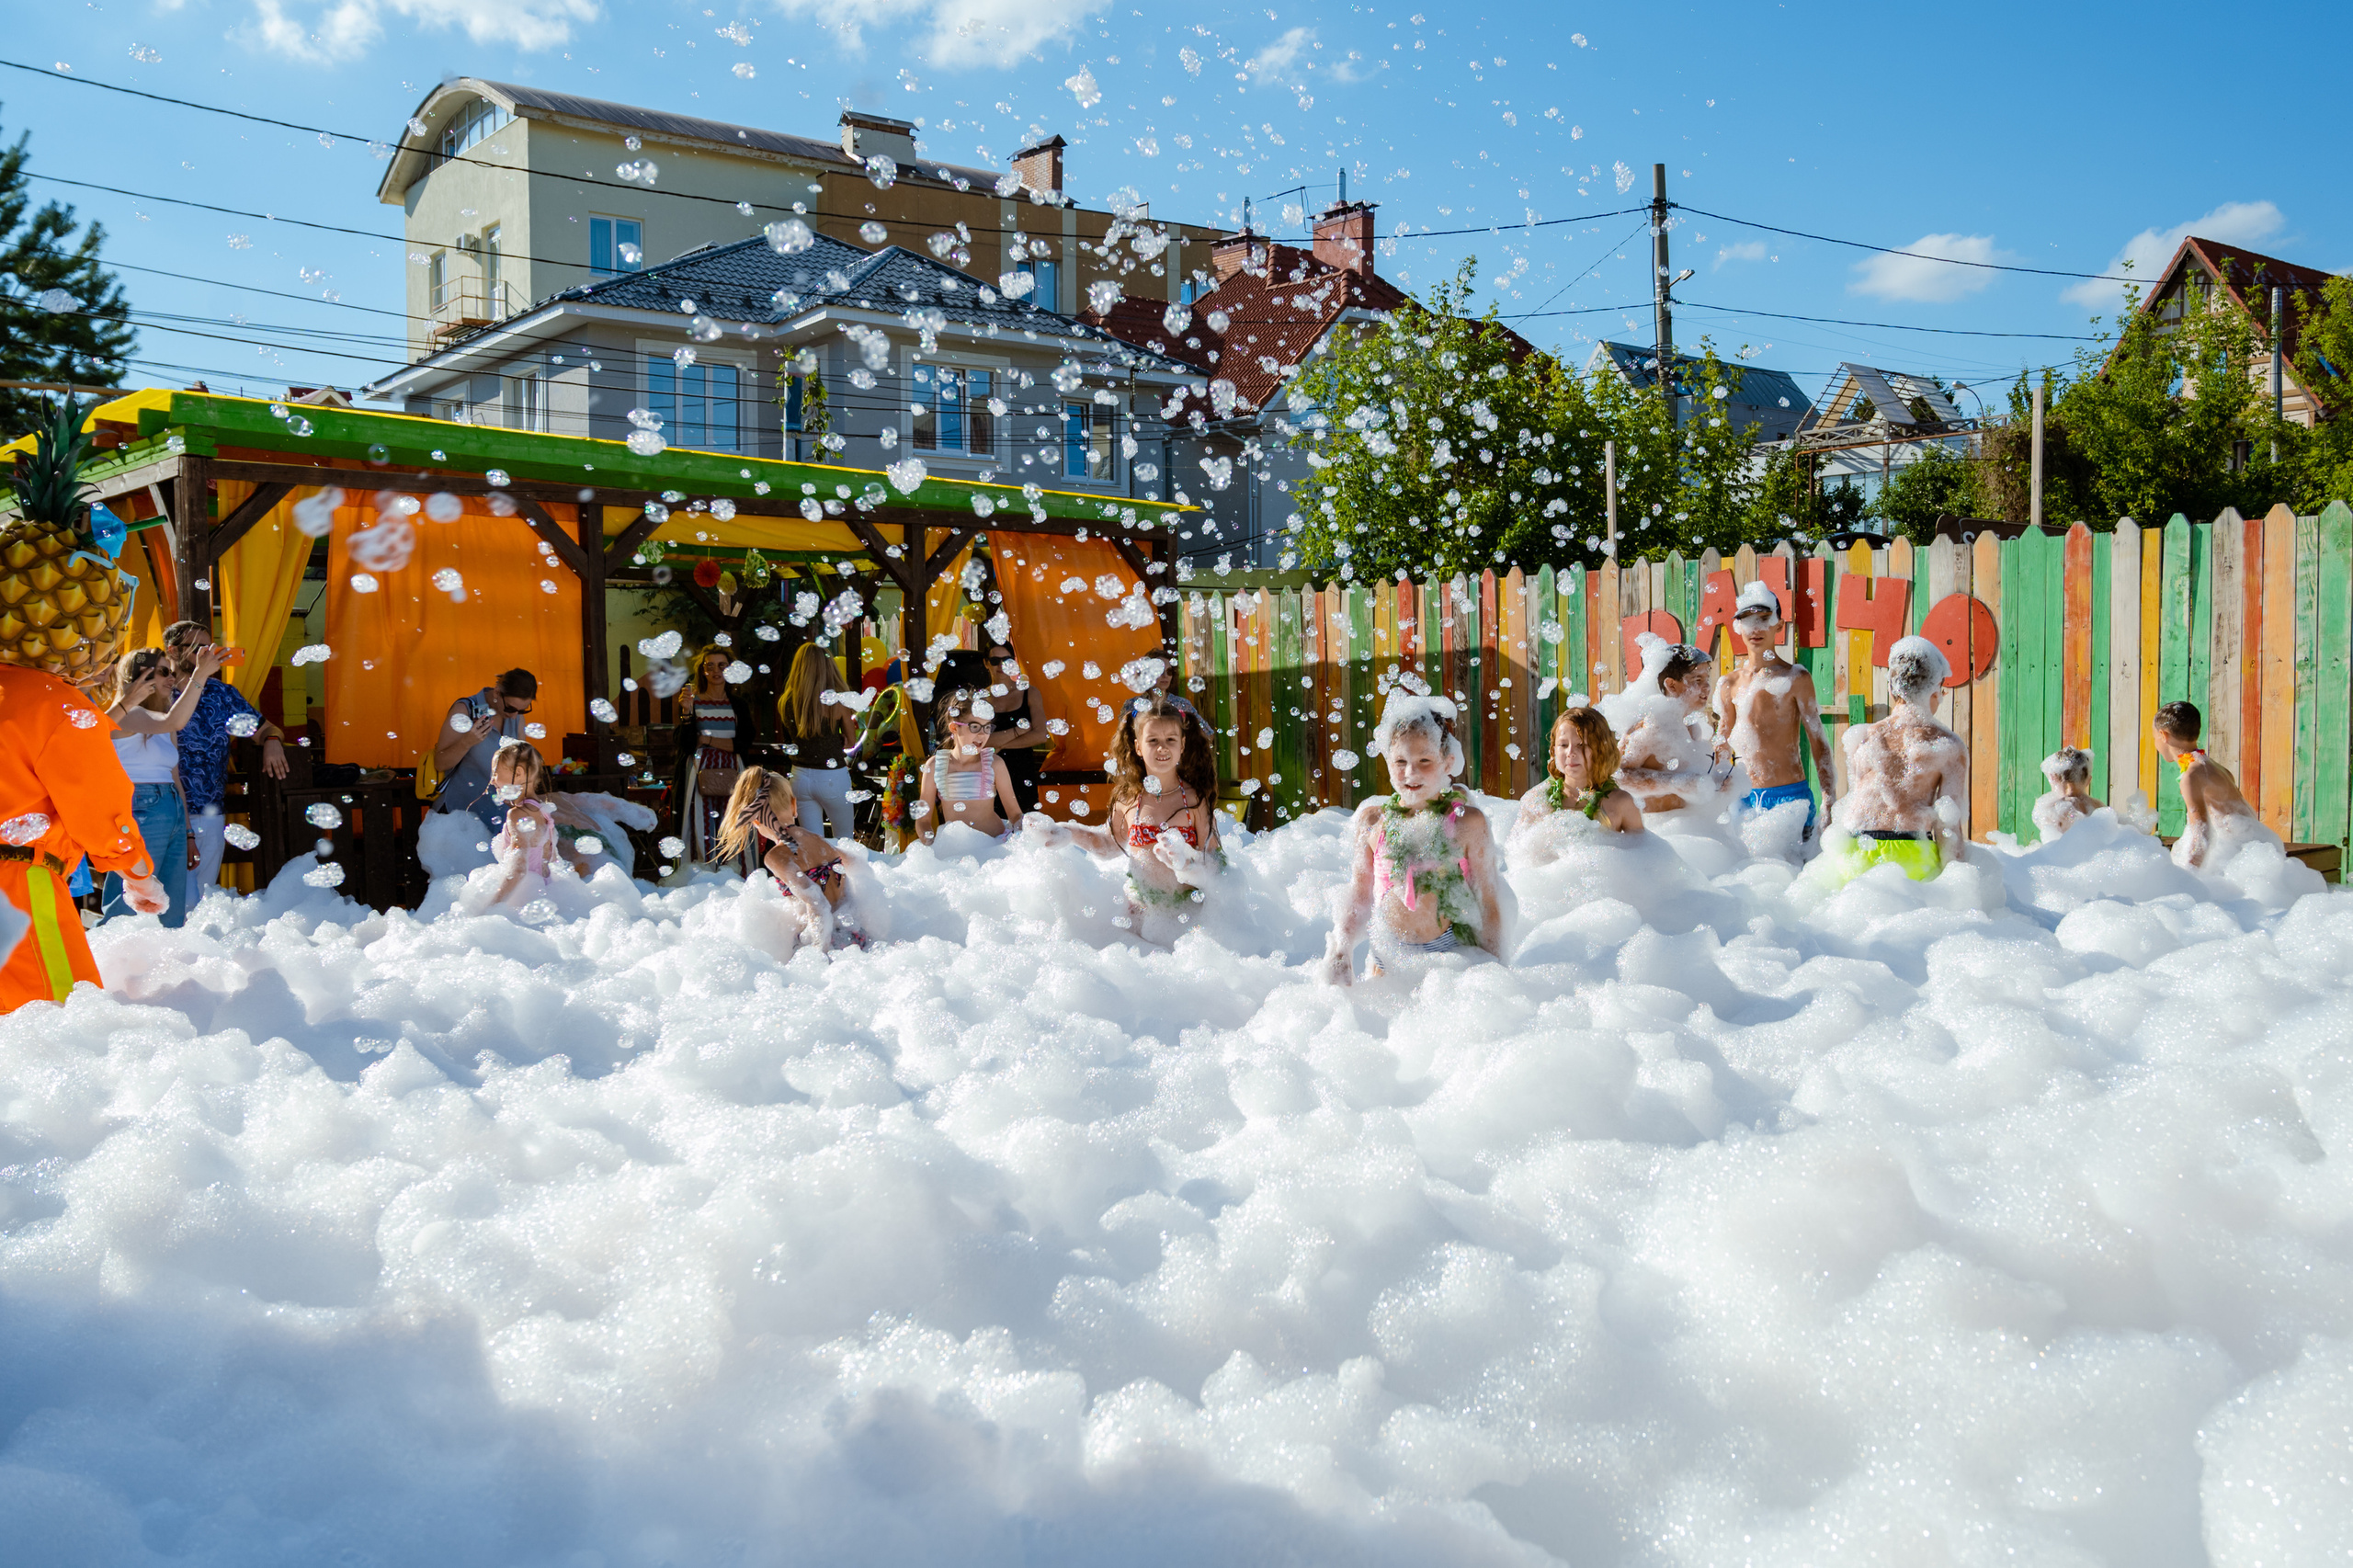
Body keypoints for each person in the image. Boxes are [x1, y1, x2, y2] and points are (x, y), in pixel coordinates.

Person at [0, 662, 168, 1009]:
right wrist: (139, 876)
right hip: (15, 887)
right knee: (59, 1022)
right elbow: (101, 810)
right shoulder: (51, 699)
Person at [1321, 688, 1505, 983]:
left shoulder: (1467, 823)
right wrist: (1340, 951)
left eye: (1424, 761)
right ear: (1388, 762)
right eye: (1400, 762)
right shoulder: (1373, 820)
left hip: (1450, 953)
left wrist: (1496, 970)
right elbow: (1359, 895)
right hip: (1388, 953)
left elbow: (1488, 900)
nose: (1410, 774)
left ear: (1447, 762)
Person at [1027, 690, 1222, 940]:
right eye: (1152, 741)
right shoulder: (1128, 799)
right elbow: (1108, 846)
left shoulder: (1195, 800)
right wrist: (1069, 832)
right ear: (1138, 747)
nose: (1162, 747)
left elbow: (1216, 862)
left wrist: (1189, 864)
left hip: (1186, 920)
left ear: (1182, 745)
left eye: (1171, 739)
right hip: (1139, 915)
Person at [160, 619, 291, 908]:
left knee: (200, 900)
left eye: (209, 646)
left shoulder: (221, 695)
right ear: (172, 650)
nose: (207, 653)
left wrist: (271, 742)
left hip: (209, 812)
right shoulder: (157, 692)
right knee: (163, 901)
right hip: (162, 811)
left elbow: (268, 728)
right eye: (197, 647)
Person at [1822, 636, 1968, 885]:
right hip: (1911, 854)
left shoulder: (1864, 737)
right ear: (1935, 690)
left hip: (1855, 852)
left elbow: (1855, 802)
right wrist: (1961, 885)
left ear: (1891, 688)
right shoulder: (1948, 745)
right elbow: (1948, 828)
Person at [103, 644, 227, 928]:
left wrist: (187, 834)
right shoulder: (128, 714)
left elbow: (175, 780)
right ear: (139, 676)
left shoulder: (161, 721)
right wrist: (201, 675)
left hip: (169, 807)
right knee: (130, 900)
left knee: (169, 903)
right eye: (162, 672)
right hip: (139, 807)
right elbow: (177, 720)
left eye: (171, 672)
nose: (171, 678)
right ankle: (118, 964)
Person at [1713, 583, 1836, 853]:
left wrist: (1829, 797)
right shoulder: (1729, 684)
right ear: (1739, 628)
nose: (1756, 629)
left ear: (1778, 626)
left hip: (1790, 799)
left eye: (1764, 619)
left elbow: (1819, 741)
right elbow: (1721, 745)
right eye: (1748, 621)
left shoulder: (1795, 678)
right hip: (1743, 800)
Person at [715, 767, 881, 951]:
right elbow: (860, 866)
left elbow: (817, 904)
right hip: (856, 935)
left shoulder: (776, 856)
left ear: (755, 821)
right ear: (794, 806)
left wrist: (819, 955)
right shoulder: (819, 840)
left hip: (828, 942)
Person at [1610, 639, 1732, 816]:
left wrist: (1717, 782)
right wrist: (1674, 782)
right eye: (1697, 679)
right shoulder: (1652, 725)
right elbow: (1616, 776)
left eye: (1707, 679)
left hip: (1685, 826)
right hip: (1653, 831)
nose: (1706, 686)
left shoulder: (1692, 726)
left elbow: (1691, 778)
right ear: (1671, 685)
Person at [1510, 706, 1643, 863]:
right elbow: (1518, 860)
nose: (1570, 752)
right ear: (1553, 750)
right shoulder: (1537, 801)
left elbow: (1642, 858)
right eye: (1563, 745)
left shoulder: (1620, 803)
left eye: (1581, 745)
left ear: (1602, 749)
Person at [2154, 701, 2274, 872]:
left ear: (2163, 735)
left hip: (2242, 862)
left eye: (2154, 738)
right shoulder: (2216, 768)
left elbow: (2201, 835)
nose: (2156, 744)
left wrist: (2187, 878)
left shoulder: (2191, 776)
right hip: (2254, 856)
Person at [434, 666, 536, 834]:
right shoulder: (465, 710)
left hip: (499, 819)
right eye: (510, 708)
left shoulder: (516, 718)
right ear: (497, 692)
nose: (514, 716)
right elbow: (440, 763)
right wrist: (467, 742)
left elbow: (519, 769)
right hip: (461, 818)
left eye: (523, 710)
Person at [917, 687, 1025, 843]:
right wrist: (929, 842)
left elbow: (1015, 815)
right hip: (956, 847)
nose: (982, 734)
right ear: (954, 728)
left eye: (987, 727)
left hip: (994, 844)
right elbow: (923, 820)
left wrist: (1023, 837)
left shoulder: (994, 764)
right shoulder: (935, 765)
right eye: (975, 727)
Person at [777, 642, 859, 839]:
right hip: (832, 777)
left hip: (800, 777)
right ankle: (842, 871)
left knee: (813, 844)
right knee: (845, 840)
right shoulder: (837, 701)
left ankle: (817, 871)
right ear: (827, 667)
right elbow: (851, 742)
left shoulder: (787, 701)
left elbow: (791, 741)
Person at [980, 637, 1050, 812]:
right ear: (986, 663)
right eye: (995, 661)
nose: (1001, 666)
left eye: (1006, 660)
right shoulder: (980, 699)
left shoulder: (1029, 693)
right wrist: (1018, 731)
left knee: (1025, 827)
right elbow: (980, 740)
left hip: (1022, 771)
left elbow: (1041, 734)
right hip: (988, 773)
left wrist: (1000, 744)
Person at [2031, 747, 2105, 842]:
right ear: (2088, 780)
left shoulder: (2052, 809)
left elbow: (2052, 846)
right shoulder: (2098, 807)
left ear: (2052, 778)